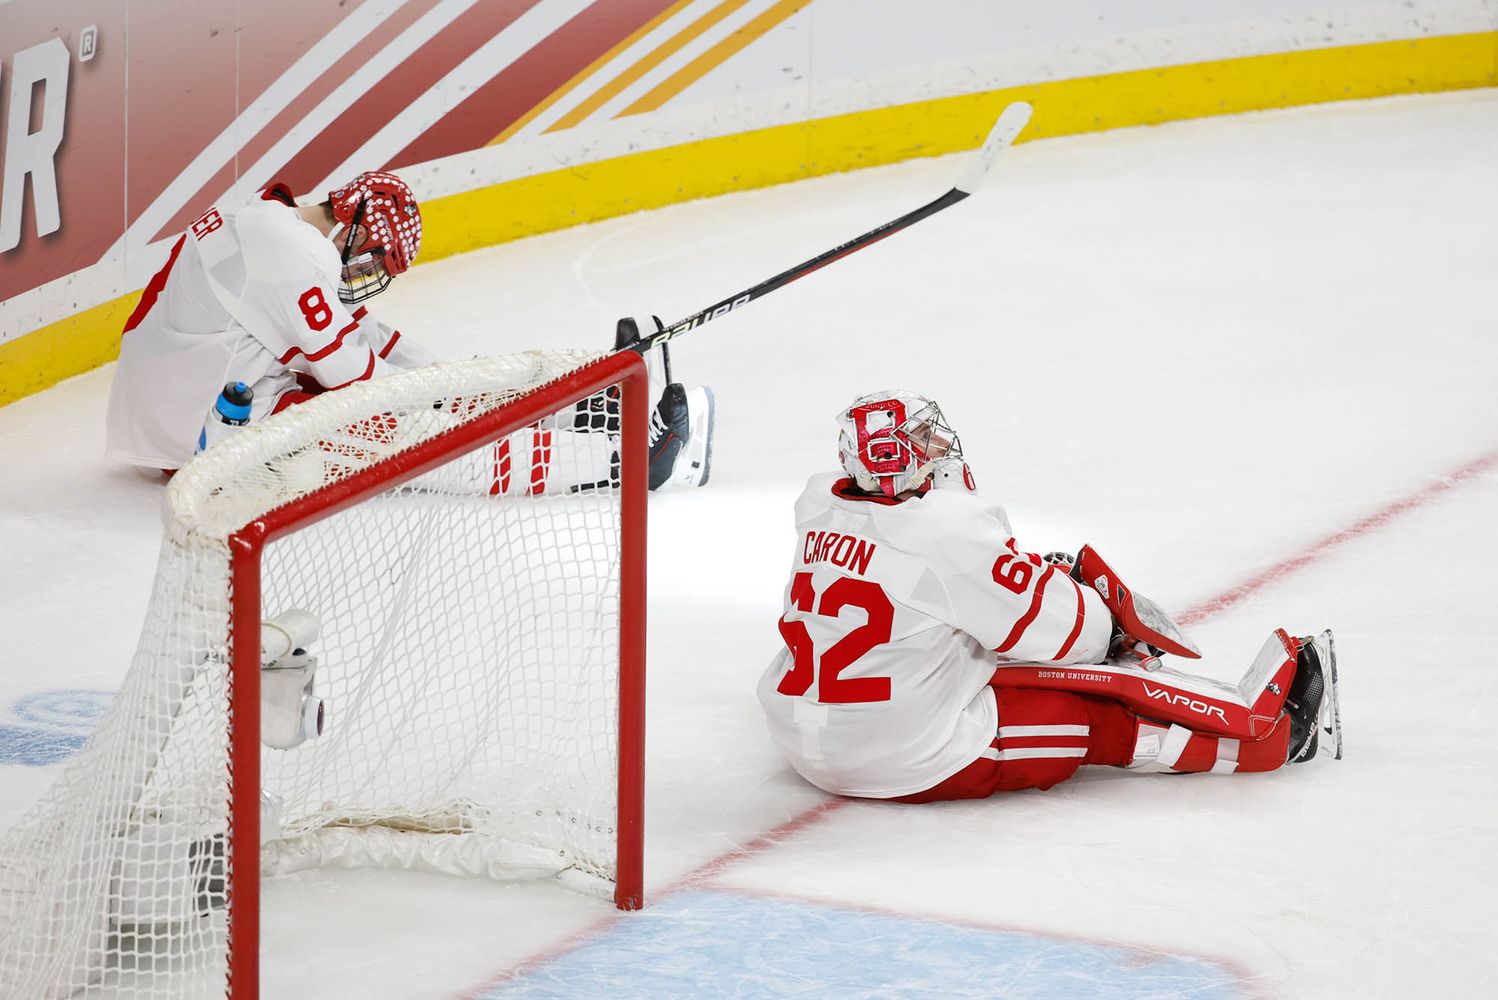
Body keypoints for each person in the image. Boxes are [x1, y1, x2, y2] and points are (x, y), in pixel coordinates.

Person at [756, 390, 1340, 803]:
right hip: (901, 757)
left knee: (976, 653)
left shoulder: (820, 506)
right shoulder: (946, 531)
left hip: (801, 730)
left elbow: (925, 592)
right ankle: (1269, 746)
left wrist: (1012, 579)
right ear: (897, 460)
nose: (939, 446)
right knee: (1080, 712)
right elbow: (1074, 639)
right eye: (923, 439)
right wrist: (1100, 617)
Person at [104, 171, 713, 489]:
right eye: (374, 259)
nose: (368, 274)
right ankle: (622, 462)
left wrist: (471, 384)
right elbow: (360, 381)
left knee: (414, 377)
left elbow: (369, 338)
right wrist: (454, 396)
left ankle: (585, 403)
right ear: (356, 226)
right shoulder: (291, 256)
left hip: (193, 397)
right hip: (200, 440)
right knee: (414, 440)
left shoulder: (270, 218)